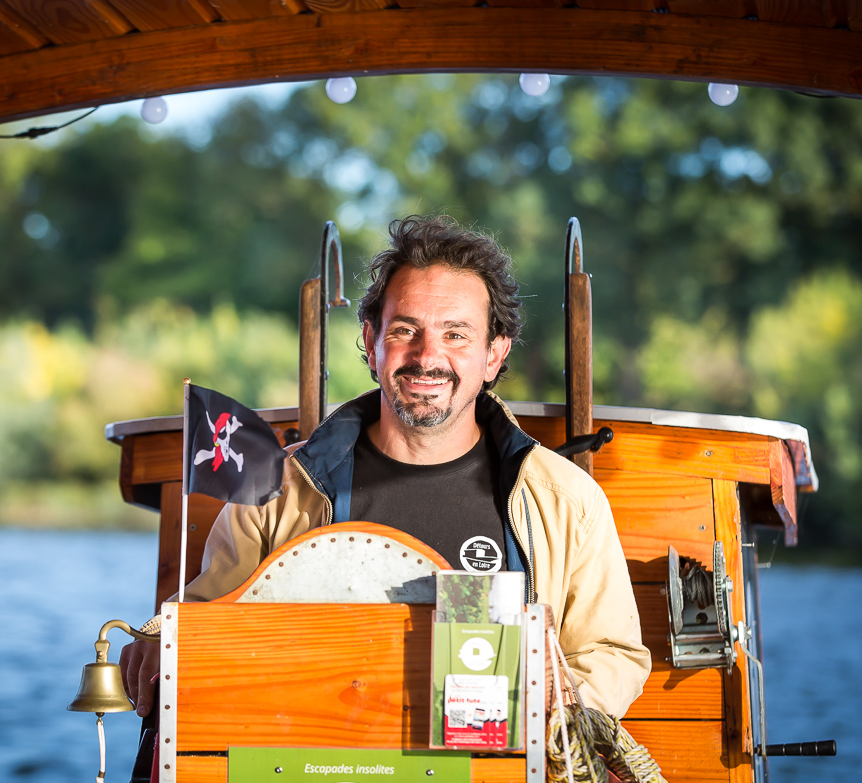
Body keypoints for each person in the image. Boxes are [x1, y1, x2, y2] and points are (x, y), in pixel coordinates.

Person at [121, 214, 650, 718]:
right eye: (405, 329)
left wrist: (559, 696)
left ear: (493, 355)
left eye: (456, 334)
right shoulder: (278, 492)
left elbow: (612, 654)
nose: (428, 355)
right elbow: (211, 624)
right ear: (372, 342)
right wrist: (159, 638)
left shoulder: (564, 501)